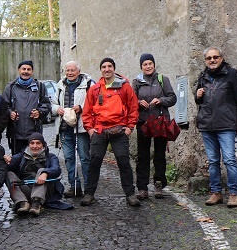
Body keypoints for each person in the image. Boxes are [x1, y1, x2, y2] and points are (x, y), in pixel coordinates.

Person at [81, 57, 140, 207]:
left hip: (119, 130)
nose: (107, 69)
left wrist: (130, 127)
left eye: (109, 66)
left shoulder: (124, 87)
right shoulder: (94, 89)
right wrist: (89, 129)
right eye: (104, 67)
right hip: (99, 131)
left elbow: (133, 107)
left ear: (114, 68)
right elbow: (86, 111)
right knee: (94, 162)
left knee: (123, 161)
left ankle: (130, 194)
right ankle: (89, 194)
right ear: (101, 70)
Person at [195, 47, 237, 208]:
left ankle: (234, 193)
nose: (212, 60)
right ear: (205, 60)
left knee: (230, 160)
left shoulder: (232, 74)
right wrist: (197, 96)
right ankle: (216, 192)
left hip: (226, 125)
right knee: (213, 161)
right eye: (209, 58)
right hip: (207, 125)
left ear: (221, 58)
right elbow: (200, 100)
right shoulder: (203, 76)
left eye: (215, 57)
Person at [132, 53, 178, 200]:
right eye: (145, 64)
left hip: (159, 122)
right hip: (143, 123)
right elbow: (131, 101)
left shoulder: (162, 80)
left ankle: (159, 184)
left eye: (150, 63)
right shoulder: (137, 82)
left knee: (159, 155)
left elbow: (172, 98)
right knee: (143, 156)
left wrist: (161, 100)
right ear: (141, 66)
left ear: (154, 64)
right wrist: (139, 102)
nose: (148, 66)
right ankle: (142, 188)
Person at [52, 61, 93, 198]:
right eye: (67, 70)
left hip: (81, 128)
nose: (69, 73)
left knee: (84, 157)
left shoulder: (88, 84)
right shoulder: (60, 86)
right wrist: (58, 109)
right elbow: (52, 104)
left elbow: (93, 104)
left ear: (78, 71)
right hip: (64, 128)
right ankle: (74, 186)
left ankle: (88, 188)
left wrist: (81, 108)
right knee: (69, 159)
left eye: (72, 70)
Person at [4, 132, 66, 216]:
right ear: (29, 145)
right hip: (26, 189)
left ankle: (36, 204)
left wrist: (45, 173)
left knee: (42, 170)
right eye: (32, 143)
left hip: (45, 191)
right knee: (8, 173)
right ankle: (22, 203)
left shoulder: (51, 157)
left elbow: (56, 169)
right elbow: (7, 166)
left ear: (43, 145)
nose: (35, 146)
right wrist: (7, 160)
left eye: (38, 143)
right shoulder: (21, 156)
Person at [5, 59, 51, 154]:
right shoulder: (10, 87)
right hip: (15, 133)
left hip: (34, 132)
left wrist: (40, 112)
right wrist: (10, 113)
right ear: (19, 70)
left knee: (34, 160)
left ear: (32, 71)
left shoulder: (40, 86)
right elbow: (4, 106)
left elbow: (46, 105)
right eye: (23, 69)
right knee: (17, 160)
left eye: (28, 69)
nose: (26, 71)